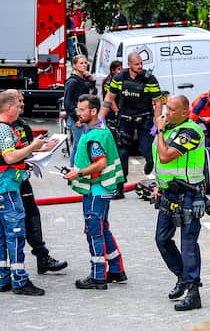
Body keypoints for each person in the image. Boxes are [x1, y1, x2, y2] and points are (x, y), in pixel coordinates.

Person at [63, 94, 126, 290]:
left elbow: (100, 163)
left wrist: (78, 173)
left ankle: (98, 276)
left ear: (93, 111)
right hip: (105, 189)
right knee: (103, 228)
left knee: (94, 232)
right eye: (78, 110)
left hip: (96, 190)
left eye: (82, 110)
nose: (78, 113)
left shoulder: (94, 136)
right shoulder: (100, 130)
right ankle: (116, 270)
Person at [151, 95, 207, 311]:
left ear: (185, 112)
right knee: (162, 239)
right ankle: (182, 276)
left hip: (190, 196)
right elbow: (159, 163)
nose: (167, 114)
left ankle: (193, 291)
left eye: (173, 110)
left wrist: (160, 130)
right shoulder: (171, 129)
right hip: (168, 193)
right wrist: (158, 185)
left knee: (188, 244)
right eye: (167, 109)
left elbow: (165, 157)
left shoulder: (191, 131)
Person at [11, 91, 67, 275]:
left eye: (22, 101)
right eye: (19, 102)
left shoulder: (22, 126)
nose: (22, 105)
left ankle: (43, 257)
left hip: (22, 179)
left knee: (32, 215)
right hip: (7, 182)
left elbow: (28, 150)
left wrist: (45, 147)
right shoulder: (3, 128)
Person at [0, 90, 48, 295]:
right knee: (16, 232)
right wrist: (33, 147)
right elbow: (10, 158)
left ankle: (2, 277)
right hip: (7, 188)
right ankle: (19, 280)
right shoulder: (3, 130)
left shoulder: (7, 128)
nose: (21, 109)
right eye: (18, 106)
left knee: (2, 234)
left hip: (6, 186)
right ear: (9, 108)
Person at [100, 51, 163, 197]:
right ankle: (120, 188)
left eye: (141, 63)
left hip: (144, 118)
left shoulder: (149, 79)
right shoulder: (119, 77)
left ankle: (149, 160)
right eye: (137, 64)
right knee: (122, 152)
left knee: (145, 147)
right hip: (125, 119)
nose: (140, 66)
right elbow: (110, 97)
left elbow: (158, 101)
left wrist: (157, 122)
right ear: (129, 65)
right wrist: (101, 118)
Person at [64, 54, 97, 165]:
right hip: (77, 119)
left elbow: (92, 92)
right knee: (78, 146)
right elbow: (68, 103)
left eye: (85, 63)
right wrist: (77, 119)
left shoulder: (82, 79)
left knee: (83, 144)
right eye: (81, 63)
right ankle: (73, 168)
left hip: (84, 118)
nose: (84, 65)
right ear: (74, 66)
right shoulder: (72, 82)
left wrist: (91, 79)